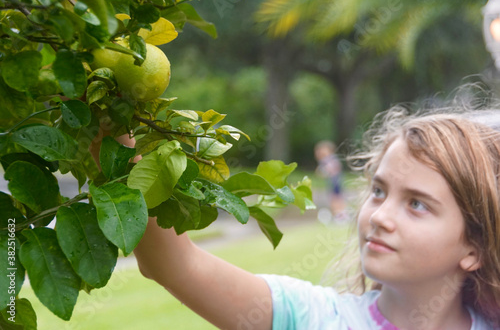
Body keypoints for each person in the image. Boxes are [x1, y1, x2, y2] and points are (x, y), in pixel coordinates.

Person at [93, 104, 500, 329]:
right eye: (378, 191)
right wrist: (108, 117)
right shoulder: (311, 318)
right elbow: (175, 264)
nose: (380, 216)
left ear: (474, 247)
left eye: (416, 204)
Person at [314, 140, 347, 221]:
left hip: (335, 182)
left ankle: (340, 216)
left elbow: (328, 170)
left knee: (336, 199)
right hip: (334, 182)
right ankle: (339, 215)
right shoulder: (329, 159)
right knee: (335, 198)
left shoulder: (329, 159)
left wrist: (322, 172)